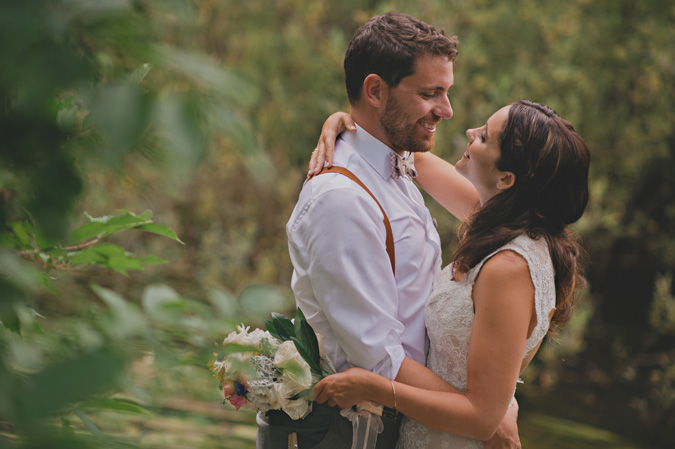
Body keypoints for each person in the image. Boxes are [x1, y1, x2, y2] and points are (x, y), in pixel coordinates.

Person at [257, 11, 518, 449]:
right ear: (375, 90)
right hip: (359, 433)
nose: (447, 110)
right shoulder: (342, 200)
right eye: (431, 93)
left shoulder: (398, 167)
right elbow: (379, 358)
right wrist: (482, 418)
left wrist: (347, 122)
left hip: (413, 422)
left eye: (446, 93)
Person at [310, 100, 591, 448]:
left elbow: (482, 417)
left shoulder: (509, 268)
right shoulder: (508, 223)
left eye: (485, 137)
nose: (470, 133)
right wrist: (346, 123)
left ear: (506, 177)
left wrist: (374, 387)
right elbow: (409, 157)